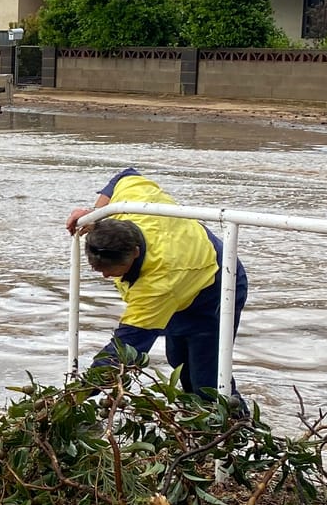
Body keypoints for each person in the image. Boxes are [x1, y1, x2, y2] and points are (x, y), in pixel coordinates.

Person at [65, 166, 248, 396]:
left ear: (134, 252)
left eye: (113, 271)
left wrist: (76, 396)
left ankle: (239, 426)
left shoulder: (158, 284)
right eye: (98, 269)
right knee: (179, 363)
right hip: (185, 277)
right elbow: (125, 175)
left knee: (208, 384)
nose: (105, 276)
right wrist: (95, 213)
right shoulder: (129, 206)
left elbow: (126, 349)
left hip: (217, 287)